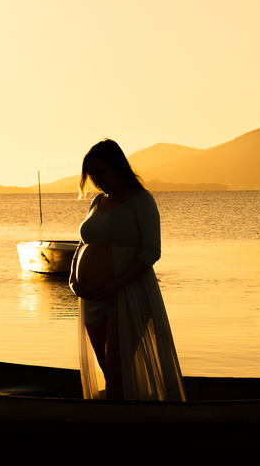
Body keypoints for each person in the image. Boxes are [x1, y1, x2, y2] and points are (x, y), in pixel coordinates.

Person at [69, 139, 186, 401]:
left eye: (102, 172)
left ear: (118, 167)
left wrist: (116, 284)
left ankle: (124, 426)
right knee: (109, 372)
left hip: (128, 294)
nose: (97, 180)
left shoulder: (141, 201)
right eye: (92, 174)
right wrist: (72, 280)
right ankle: (121, 420)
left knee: (117, 367)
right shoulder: (97, 202)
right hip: (91, 297)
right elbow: (83, 244)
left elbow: (151, 251)